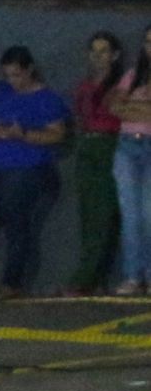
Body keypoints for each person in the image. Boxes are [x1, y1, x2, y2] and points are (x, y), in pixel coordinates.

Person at [0, 45, 70, 296]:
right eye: (7, 75)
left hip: (24, 167)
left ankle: (11, 282)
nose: (12, 81)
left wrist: (22, 134)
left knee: (17, 224)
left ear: (30, 70)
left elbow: (56, 134)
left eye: (17, 75)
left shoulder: (47, 98)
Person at [73, 30, 125, 295]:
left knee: (105, 214)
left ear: (115, 55)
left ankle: (87, 277)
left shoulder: (121, 85)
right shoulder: (85, 86)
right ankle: (92, 276)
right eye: (94, 51)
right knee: (89, 214)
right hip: (88, 146)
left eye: (104, 51)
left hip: (111, 143)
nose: (98, 56)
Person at [108, 26, 151, 295]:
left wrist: (131, 109)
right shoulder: (134, 76)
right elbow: (114, 106)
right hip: (127, 146)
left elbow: (126, 108)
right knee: (130, 215)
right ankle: (133, 276)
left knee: (149, 213)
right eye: (148, 41)